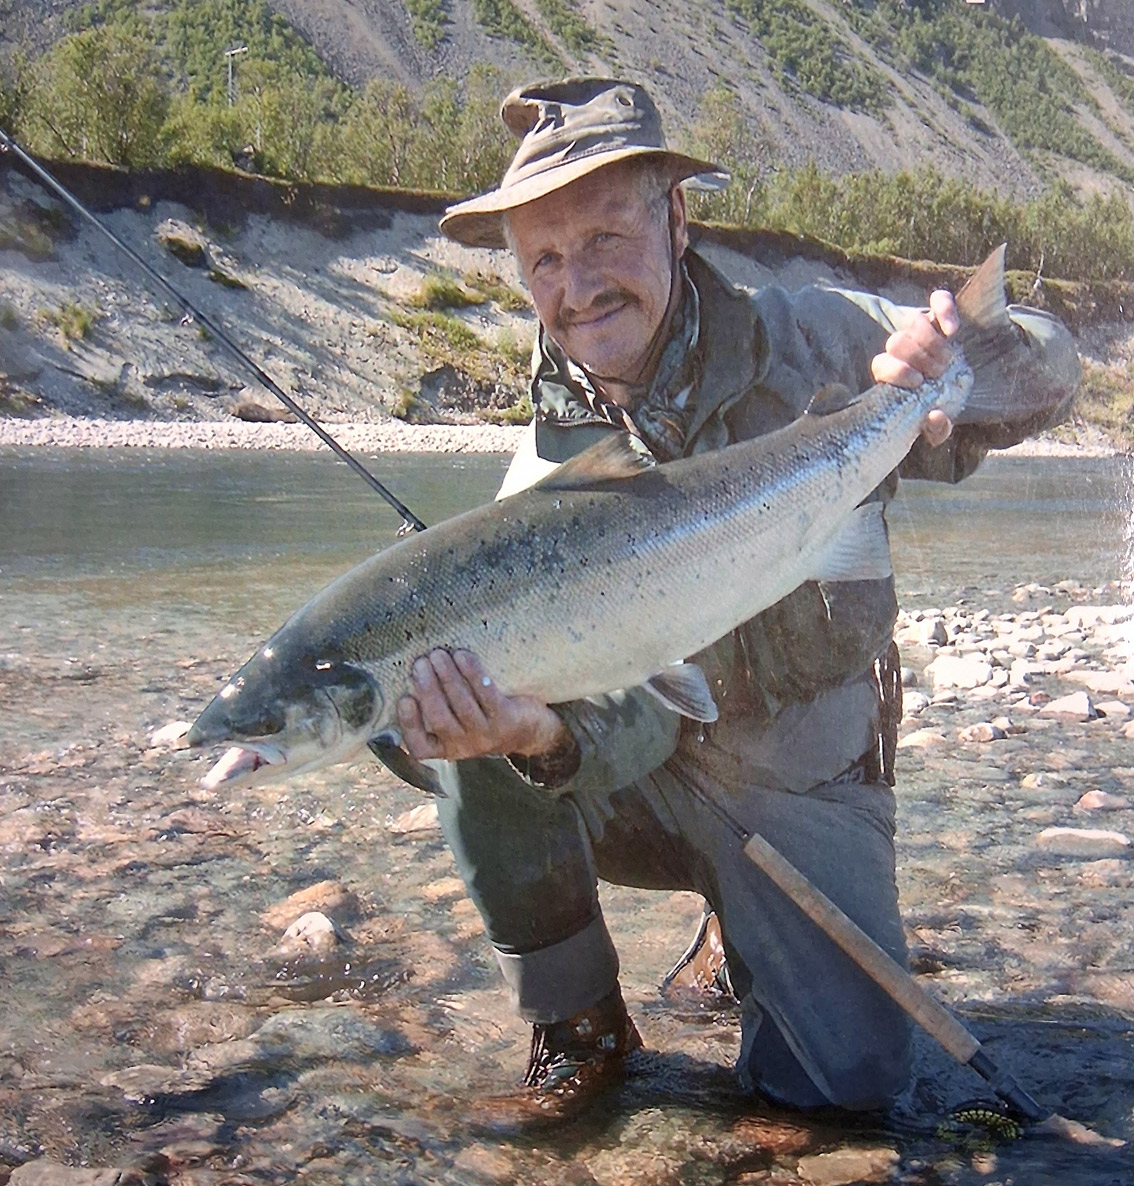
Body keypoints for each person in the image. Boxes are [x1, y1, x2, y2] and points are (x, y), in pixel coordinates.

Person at [384, 78, 1078, 1123]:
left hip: (804, 783)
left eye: (607, 236)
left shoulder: (821, 342)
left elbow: (1050, 367)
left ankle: (743, 924)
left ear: (675, 218)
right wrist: (532, 731)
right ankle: (580, 1019)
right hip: (646, 775)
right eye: (545, 259)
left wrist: (962, 361)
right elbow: (627, 720)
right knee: (467, 719)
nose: (578, 285)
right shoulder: (541, 485)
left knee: (846, 1097)